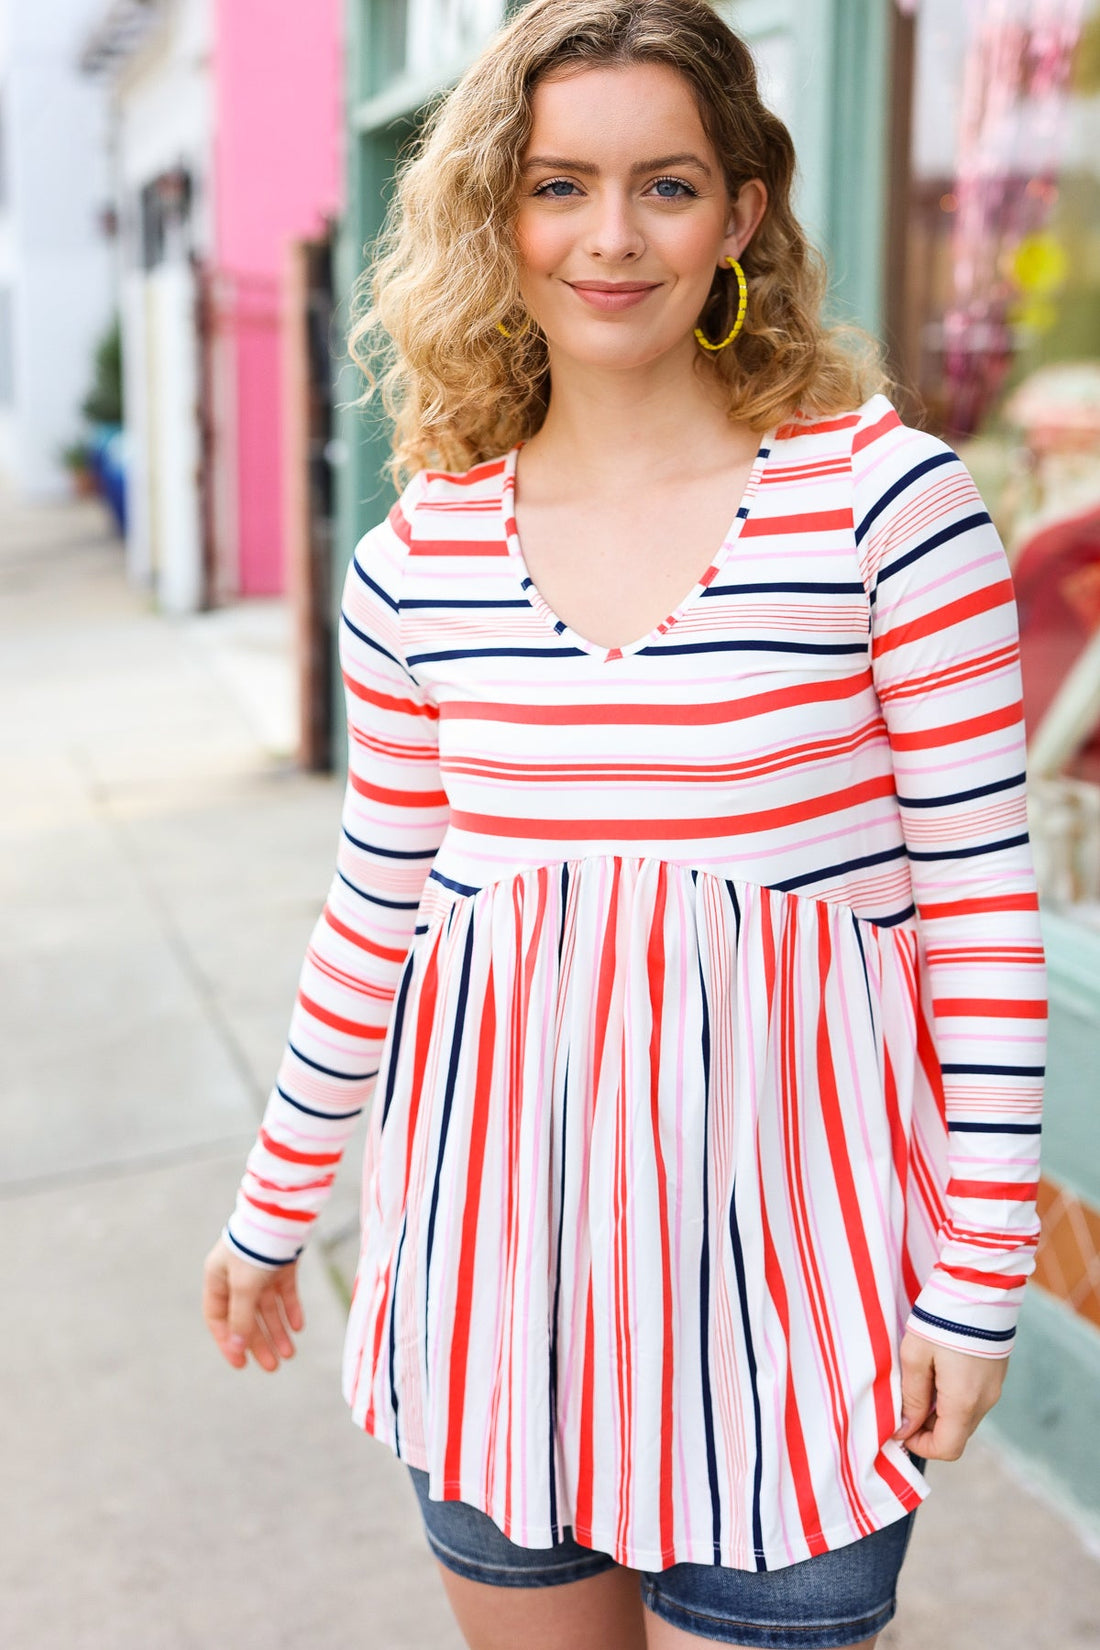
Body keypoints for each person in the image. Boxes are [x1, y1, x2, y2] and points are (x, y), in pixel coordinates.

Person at [202, 3, 1048, 1646]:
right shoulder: (415, 564)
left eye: (665, 185)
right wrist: (273, 1200)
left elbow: (982, 920)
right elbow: (377, 911)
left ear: (741, 214)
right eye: (556, 184)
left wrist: (974, 1276)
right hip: (494, 1301)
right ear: (493, 217)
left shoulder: (887, 510)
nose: (609, 236)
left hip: (805, 1320)